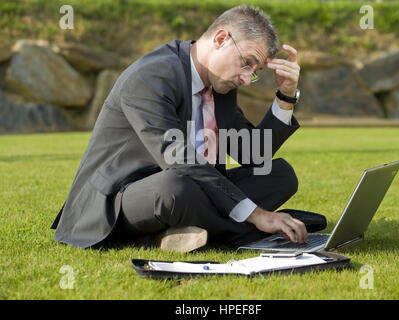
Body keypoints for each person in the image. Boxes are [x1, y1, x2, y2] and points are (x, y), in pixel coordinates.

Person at [51, 5, 312, 251]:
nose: (246, 79)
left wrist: (285, 97)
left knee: (280, 175)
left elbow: (253, 154)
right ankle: (248, 230)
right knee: (175, 186)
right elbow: (177, 157)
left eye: (253, 71)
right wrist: (256, 215)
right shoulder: (152, 75)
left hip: (193, 190)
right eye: (246, 63)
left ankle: (185, 231)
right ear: (221, 39)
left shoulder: (221, 86)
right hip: (124, 196)